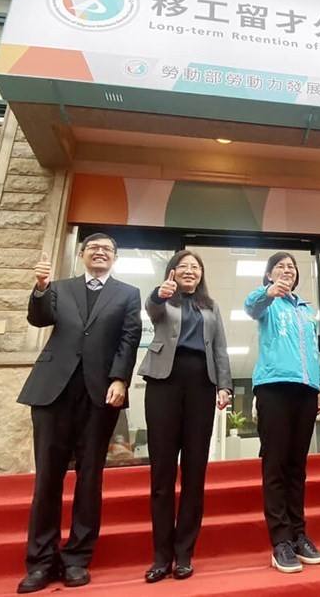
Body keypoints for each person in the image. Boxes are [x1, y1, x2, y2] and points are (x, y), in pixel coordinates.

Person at [16, 233, 142, 593]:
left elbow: (129, 339)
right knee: (48, 480)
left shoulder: (127, 294)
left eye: (107, 249)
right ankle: (40, 562)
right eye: (93, 249)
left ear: (115, 257)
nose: (100, 253)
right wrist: (40, 288)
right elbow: (39, 320)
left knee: (90, 478)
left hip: (99, 393)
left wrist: (120, 378)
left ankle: (76, 559)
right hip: (52, 391)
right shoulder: (58, 287)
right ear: (83, 255)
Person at [137, 250, 233, 583]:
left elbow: (220, 347)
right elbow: (151, 310)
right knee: (162, 470)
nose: (190, 271)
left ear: (201, 274)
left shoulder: (211, 306)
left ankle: (184, 553)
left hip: (201, 385)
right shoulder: (164, 298)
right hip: (164, 382)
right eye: (184, 267)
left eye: (196, 267)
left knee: (195, 470)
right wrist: (157, 293)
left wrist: (225, 386)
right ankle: (161, 555)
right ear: (172, 272)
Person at [244, 252, 320, 573]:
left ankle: (298, 535)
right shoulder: (266, 303)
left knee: (297, 466)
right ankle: (280, 540)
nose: (286, 271)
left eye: (291, 268)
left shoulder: (306, 309)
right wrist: (267, 292)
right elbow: (249, 306)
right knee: (276, 465)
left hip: (306, 390)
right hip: (274, 388)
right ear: (268, 275)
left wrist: (319, 385)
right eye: (279, 267)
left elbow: (314, 349)